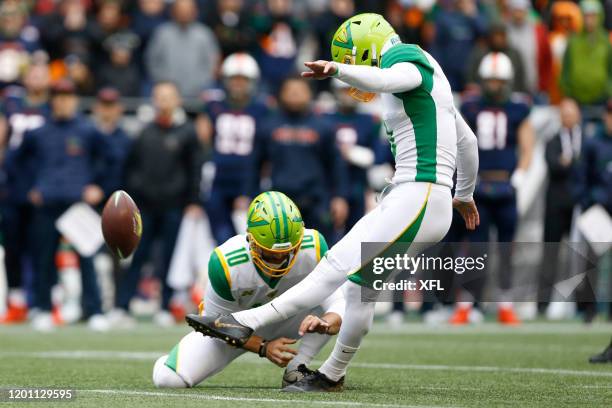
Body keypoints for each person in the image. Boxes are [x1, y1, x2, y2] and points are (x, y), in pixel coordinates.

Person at [186, 13, 480, 392]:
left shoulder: (406, 58)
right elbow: (467, 142)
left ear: (371, 47)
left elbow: (390, 78)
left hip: (417, 195)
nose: (354, 65)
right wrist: (464, 195)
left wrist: (339, 69)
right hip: (429, 201)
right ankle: (331, 374)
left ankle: (248, 321)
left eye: (354, 56)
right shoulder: (433, 82)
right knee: (359, 289)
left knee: (333, 267)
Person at [153, 192, 344, 388]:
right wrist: (263, 346)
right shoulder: (227, 264)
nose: (278, 261)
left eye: (286, 253)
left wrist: (326, 323)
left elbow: (338, 301)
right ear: (250, 240)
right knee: (169, 380)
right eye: (270, 253)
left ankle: (298, 368)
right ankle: (167, 363)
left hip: (293, 321)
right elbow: (215, 325)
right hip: (234, 330)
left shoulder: (313, 246)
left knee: (355, 288)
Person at [10, 78, 115, 332]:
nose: (63, 101)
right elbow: (16, 162)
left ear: (75, 100)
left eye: (67, 96)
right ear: (52, 100)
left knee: (87, 258)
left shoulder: (88, 131)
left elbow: (111, 159)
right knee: (43, 258)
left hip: (78, 205)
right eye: (58, 96)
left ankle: (94, 310)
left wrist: (98, 187)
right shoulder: (38, 132)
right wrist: (29, 190)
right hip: (47, 203)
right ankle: (44, 308)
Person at [451, 52, 534, 325]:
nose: (495, 85)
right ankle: (466, 304)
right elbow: (461, 143)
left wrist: (520, 173)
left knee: (507, 249)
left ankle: (505, 304)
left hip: (507, 185)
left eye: (499, 80)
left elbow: (526, 144)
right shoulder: (472, 106)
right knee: (475, 249)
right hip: (479, 186)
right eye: (491, 80)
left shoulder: (518, 108)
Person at [113, 81, 204, 327]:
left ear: (177, 100)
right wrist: (131, 199)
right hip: (143, 208)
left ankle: (165, 305)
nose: (163, 101)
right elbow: (131, 167)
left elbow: (196, 168)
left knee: (169, 258)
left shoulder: (187, 131)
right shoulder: (144, 131)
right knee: (136, 256)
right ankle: (122, 306)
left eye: (168, 96)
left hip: (174, 205)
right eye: (159, 96)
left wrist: (194, 200)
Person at [251, 76, 350, 241]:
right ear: (281, 94)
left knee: (321, 254)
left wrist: (340, 197)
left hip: (316, 201)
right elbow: (254, 165)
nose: (295, 95)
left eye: (300, 91)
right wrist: (251, 197)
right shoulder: (268, 125)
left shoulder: (323, 126)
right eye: (290, 91)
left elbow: (336, 165)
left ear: (310, 94)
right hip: (279, 205)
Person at [199, 53, 269, 244]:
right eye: (234, 79)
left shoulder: (262, 108)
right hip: (220, 173)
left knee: (250, 232)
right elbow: (203, 137)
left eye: (243, 79)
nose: (238, 84)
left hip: (247, 173)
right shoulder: (213, 106)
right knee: (219, 230)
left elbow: (265, 145)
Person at [0, 61, 51, 324]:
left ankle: (43, 300)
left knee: (42, 246)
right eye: (33, 74)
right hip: (14, 184)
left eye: (41, 74)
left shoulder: (52, 106)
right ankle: (17, 299)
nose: (37, 79)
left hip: (41, 185)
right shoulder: (12, 102)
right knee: (13, 245)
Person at [537, 98, 581, 313]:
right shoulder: (552, 139)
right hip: (555, 204)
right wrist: (570, 162)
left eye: (571, 113)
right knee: (550, 254)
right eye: (564, 113)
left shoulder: (586, 140)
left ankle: (583, 307)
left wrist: (569, 161)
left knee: (581, 254)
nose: (568, 118)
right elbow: (554, 165)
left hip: (580, 203)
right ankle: (543, 304)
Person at [326, 78, 381, 235]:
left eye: (353, 90)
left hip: (357, 185)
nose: (350, 95)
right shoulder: (325, 118)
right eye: (345, 90)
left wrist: (350, 153)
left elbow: (377, 156)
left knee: (357, 234)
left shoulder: (369, 120)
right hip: (330, 185)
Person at [145, 0, 220, 98]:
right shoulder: (162, 33)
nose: (184, 14)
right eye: (181, 10)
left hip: (199, 92)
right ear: (173, 12)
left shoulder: (204, 34)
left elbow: (213, 63)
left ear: (195, 12)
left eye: (188, 10)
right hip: (167, 92)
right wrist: (164, 83)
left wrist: (202, 85)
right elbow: (152, 61)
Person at [560, 0, 612, 109]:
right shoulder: (573, 41)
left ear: (600, 17)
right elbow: (565, 71)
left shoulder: (606, 41)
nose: (590, 20)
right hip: (577, 101)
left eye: (593, 16)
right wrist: (568, 94)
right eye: (587, 16)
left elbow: (610, 69)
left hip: (602, 100)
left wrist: (608, 91)